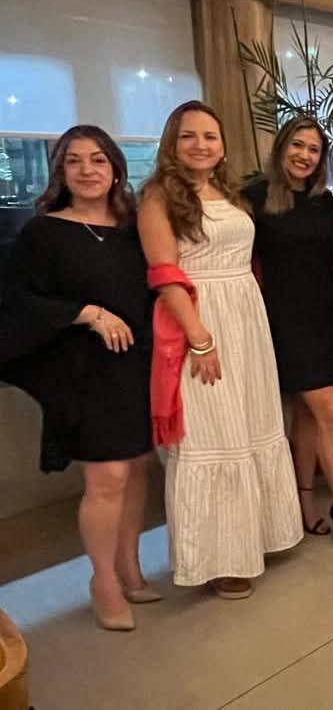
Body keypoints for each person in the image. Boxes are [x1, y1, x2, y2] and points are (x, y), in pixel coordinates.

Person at [137, 101, 302, 600]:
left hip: (246, 320)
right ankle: (220, 558)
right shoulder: (158, 197)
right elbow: (164, 274)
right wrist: (200, 338)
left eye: (210, 136)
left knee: (250, 424)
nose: (201, 145)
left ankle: (258, 534)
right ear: (172, 144)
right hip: (201, 320)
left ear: (223, 145)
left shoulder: (228, 192)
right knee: (213, 433)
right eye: (188, 136)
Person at [0, 126, 157, 630]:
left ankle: (129, 567)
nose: (87, 170)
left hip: (138, 365)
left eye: (97, 159)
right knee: (108, 477)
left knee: (138, 469)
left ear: (116, 169)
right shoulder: (43, 232)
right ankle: (102, 582)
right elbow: (17, 300)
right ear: (60, 172)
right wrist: (87, 313)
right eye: (74, 161)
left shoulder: (134, 228)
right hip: (84, 371)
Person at [245, 116, 333, 552]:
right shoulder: (255, 197)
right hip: (285, 321)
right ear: (282, 148)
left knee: (307, 415)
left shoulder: (323, 201)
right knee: (330, 412)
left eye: (313, 149)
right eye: (297, 145)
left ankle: (305, 502)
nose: (304, 155)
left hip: (327, 317)